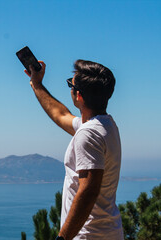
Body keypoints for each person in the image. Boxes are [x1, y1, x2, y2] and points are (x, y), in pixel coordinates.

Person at [24, 60, 123, 240]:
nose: (70, 87)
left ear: (79, 95)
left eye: (71, 84)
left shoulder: (89, 134)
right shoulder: (106, 125)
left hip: (88, 235)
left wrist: (62, 238)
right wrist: (36, 84)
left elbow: (88, 190)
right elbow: (61, 115)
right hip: (107, 232)